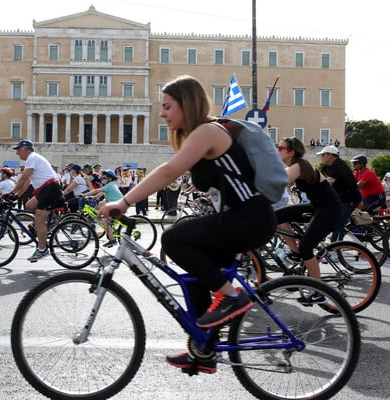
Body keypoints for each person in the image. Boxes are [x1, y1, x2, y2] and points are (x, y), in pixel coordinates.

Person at [98, 75, 276, 374]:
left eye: (167, 106)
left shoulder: (208, 131)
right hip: (240, 218)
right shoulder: (201, 135)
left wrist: (124, 201)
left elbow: (168, 171)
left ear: (186, 103)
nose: (162, 113)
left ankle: (233, 297)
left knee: (174, 240)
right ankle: (203, 348)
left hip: (250, 217)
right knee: (195, 277)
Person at [276, 137, 341, 302]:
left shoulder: (299, 165)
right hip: (317, 206)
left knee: (306, 247)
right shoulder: (294, 165)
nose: (277, 148)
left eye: (280, 147)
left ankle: (319, 291)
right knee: (276, 217)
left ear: (291, 152)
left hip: (329, 209)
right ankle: (295, 253)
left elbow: (277, 184)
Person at [10, 139, 64, 262]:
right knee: (29, 206)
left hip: (49, 189)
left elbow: (23, 178)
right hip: (44, 190)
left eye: (18, 150)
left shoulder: (32, 158)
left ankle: (42, 249)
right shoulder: (32, 160)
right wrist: (16, 196)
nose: (17, 153)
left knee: (39, 219)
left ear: (25, 149)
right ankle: (48, 224)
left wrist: (12, 193)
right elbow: (27, 183)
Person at [317, 145, 361, 242]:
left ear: (331, 155)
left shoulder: (338, 165)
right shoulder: (327, 166)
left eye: (323, 155)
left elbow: (329, 182)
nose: (322, 157)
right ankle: (329, 234)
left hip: (350, 197)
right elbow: (319, 178)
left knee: (339, 222)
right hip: (340, 196)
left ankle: (335, 249)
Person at [81, 169, 123, 247]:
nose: (102, 179)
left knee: (104, 221)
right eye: (102, 178)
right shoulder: (111, 185)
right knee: (100, 203)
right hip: (117, 205)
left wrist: (84, 195)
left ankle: (112, 240)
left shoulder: (109, 186)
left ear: (110, 179)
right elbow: (101, 193)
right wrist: (93, 197)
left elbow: (96, 190)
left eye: (104, 178)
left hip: (117, 207)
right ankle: (110, 228)